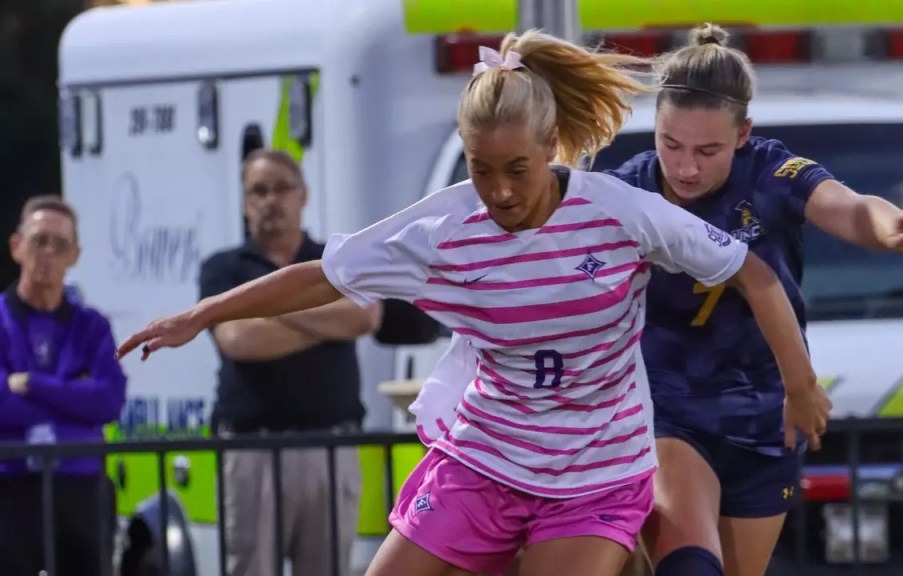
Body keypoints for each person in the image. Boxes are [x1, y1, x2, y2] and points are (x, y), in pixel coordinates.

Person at [115, 30, 827, 576]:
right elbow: (322, 276)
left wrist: (799, 384)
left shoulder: (620, 211)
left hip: (594, 473)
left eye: (518, 169)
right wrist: (202, 314)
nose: (502, 192)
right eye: (483, 171)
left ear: (551, 147)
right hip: (485, 460)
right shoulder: (444, 227)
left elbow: (752, 272)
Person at [600, 24, 903, 576]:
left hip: (765, 414)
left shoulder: (772, 173)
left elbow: (850, 207)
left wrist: (892, 226)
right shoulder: (628, 191)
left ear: (743, 134)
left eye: (708, 150)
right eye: (671, 144)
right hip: (666, 409)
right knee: (690, 565)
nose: (686, 167)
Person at [199, 149, 381, 576]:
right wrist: (323, 318)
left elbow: (364, 316)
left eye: (282, 188)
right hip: (253, 451)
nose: (271, 200)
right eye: (259, 191)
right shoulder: (224, 268)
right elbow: (237, 339)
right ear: (245, 203)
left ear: (304, 195)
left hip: (330, 448)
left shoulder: (334, 259)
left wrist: (263, 305)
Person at [0, 195, 127, 576]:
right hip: (11, 485)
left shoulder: (93, 326)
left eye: (60, 245)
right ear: (17, 247)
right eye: (39, 241)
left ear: (75, 256)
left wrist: (32, 384)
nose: (48, 254)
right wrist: (73, 397)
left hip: (82, 485)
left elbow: (109, 400)